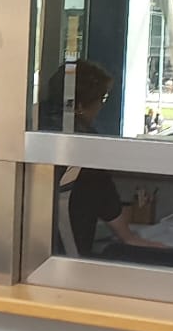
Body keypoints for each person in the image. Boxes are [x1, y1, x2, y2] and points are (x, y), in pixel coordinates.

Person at [55, 60, 139, 256]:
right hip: (67, 262)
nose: (102, 105)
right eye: (102, 98)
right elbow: (126, 236)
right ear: (79, 106)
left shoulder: (35, 130)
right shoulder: (88, 154)